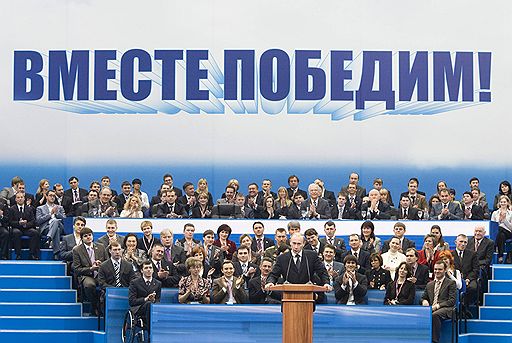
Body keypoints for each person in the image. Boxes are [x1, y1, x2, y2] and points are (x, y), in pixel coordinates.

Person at [265, 233, 331, 290]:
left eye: (299, 244)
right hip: (288, 292)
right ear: (290, 242)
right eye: (294, 243)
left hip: (307, 291)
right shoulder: (282, 258)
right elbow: (274, 274)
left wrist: (326, 283)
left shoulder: (312, 256)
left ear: (304, 243)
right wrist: (270, 282)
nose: (296, 247)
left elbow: (322, 272)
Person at [72, 227, 108, 315]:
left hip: (101, 275)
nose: (88, 237)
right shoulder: (77, 250)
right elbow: (77, 269)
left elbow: (108, 263)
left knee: (109, 285)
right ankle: (95, 304)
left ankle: (103, 307)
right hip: (87, 275)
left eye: (90, 235)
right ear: (82, 238)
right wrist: (90, 269)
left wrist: (101, 264)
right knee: (89, 285)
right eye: (85, 236)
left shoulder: (101, 247)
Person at [421, 261, 457, 343]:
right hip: (431, 308)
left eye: (440, 269)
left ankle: (434, 341)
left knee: (434, 315)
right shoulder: (429, 284)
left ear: (445, 270)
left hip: (447, 309)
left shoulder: (451, 283)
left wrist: (437, 306)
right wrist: (424, 301)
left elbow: (452, 301)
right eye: (435, 269)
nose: (437, 271)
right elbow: (423, 297)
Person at [128, 260, 161, 332]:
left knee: (151, 305)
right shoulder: (134, 283)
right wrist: (146, 299)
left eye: (150, 268)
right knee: (149, 304)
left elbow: (158, 300)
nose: (149, 270)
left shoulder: (158, 283)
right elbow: (132, 301)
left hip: (152, 308)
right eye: (146, 268)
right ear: (142, 271)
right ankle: (150, 332)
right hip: (138, 309)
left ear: (153, 270)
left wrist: (153, 300)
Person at [35, 189, 66, 258]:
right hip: (46, 228)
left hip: (60, 227)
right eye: (50, 195)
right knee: (56, 229)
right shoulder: (40, 208)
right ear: (46, 196)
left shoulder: (59, 207)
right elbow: (38, 221)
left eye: (54, 196)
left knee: (55, 221)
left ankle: (48, 238)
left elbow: (64, 219)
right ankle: (56, 253)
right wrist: (50, 214)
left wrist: (57, 213)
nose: (52, 197)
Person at [9, 192, 39, 260]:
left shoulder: (29, 208)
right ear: (15, 199)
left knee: (35, 232)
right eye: (18, 197)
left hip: (27, 228)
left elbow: (33, 221)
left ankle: (32, 254)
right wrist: (19, 223)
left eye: (21, 197)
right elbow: (10, 222)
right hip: (16, 228)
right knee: (16, 233)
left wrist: (26, 224)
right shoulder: (12, 209)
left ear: (24, 199)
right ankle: (18, 254)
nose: (20, 199)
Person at [452, 234, 478, 306]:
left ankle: (465, 306)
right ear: (455, 242)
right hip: (454, 279)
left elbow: (475, 269)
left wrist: (468, 279)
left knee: (473, 287)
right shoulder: (450, 255)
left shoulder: (472, 254)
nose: (463, 244)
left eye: (465, 242)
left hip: (469, 278)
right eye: (461, 241)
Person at [491, 195, 512, 263]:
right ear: (499, 203)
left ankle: (494, 246)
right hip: (499, 234)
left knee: (500, 229)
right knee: (501, 235)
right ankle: (501, 256)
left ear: (507, 203)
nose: (503, 203)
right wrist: (499, 220)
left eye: (504, 202)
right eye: (501, 202)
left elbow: (511, 228)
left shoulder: (511, 213)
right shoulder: (495, 213)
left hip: (509, 232)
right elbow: (492, 226)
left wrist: (504, 220)